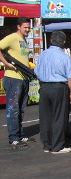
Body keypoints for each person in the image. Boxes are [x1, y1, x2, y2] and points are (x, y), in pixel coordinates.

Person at [34, 30, 71, 154]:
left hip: (45, 87)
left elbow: (37, 71)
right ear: (63, 42)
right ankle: (57, 146)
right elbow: (70, 77)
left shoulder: (43, 54)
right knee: (59, 116)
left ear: (51, 40)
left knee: (45, 116)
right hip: (59, 87)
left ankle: (47, 144)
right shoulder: (64, 56)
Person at [0, 17, 33, 146]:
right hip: (13, 79)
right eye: (25, 27)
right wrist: (6, 63)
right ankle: (13, 137)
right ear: (18, 27)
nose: (27, 29)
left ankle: (19, 134)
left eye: (28, 27)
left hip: (24, 78)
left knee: (21, 108)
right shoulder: (13, 37)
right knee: (13, 109)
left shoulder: (23, 40)